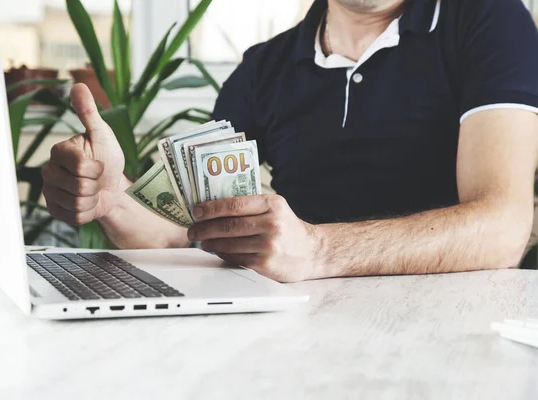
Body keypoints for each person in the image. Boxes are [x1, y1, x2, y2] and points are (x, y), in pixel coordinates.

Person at [42, 0, 538, 282]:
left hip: (449, 327)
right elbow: (187, 231)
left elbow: (504, 225)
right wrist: (111, 200)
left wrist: (319, 250)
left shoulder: (489, 19)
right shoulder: (263, 67)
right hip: (294, 328)